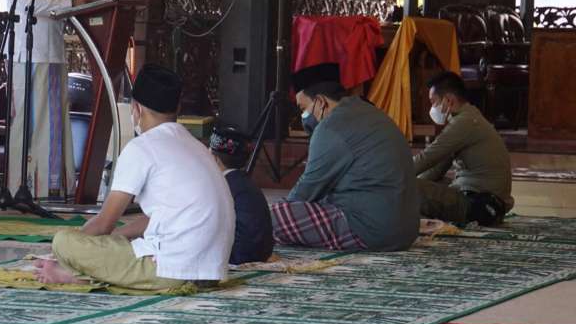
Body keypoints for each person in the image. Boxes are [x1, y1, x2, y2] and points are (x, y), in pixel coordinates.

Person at [34, 64, 236, 290]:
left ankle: (77, 273)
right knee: (114, 243)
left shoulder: (142, 147)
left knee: (64, 241)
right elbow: (161, 217)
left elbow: (103, 223)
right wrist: (115, 239)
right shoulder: (196, 146)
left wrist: (70, 250)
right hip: (211, 270)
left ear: (136, 109)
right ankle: (86, 271)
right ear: (177, 108)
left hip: (169, 270)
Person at [270, 63, 419, 252]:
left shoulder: (330, 127)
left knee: (272, 215)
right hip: (406, 230)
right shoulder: (371, 112)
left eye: (303, 107)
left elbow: (307, 190)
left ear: (321, 102)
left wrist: (283, 211)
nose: (303, 116)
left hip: (370, 230)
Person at [2, 0, 94, 199]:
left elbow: (53, 9)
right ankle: (23, 187)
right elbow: (26, 4)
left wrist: (79, 7)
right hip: (29, 55)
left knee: (53, 122)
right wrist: (70, 4)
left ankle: (52, 187)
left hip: (53, 53)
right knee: (31, 122)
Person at [414, 71, 513, 226]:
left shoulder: (465, 122)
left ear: (449, 100)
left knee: (409, 187)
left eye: (434, 102)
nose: (432, 108)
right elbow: (436, 168)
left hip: (482, 204)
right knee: (412, 184)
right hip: (480, 199)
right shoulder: (466, 117)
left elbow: (428, 157)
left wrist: (392, 176)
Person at [209, 124, 274, 265]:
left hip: (237, 255)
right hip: (261, 252)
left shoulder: (222, 186)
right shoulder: (246, 182)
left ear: (214, 159)